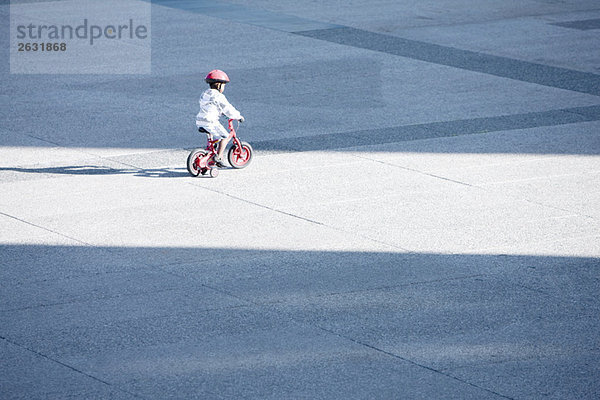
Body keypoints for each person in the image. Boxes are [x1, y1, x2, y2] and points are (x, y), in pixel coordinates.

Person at [196, 69, 245, 167]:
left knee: (214, 138)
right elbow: (228, 108)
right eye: (223, 85)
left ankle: (210, 153)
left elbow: (210, 105)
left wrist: (219, 111)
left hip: (200, 120)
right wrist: (238, 116)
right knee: (225, 136)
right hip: (210, 121)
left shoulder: (205, 94)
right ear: (219, 85)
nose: (224, 88)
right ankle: (218, 157)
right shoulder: (218, 96)